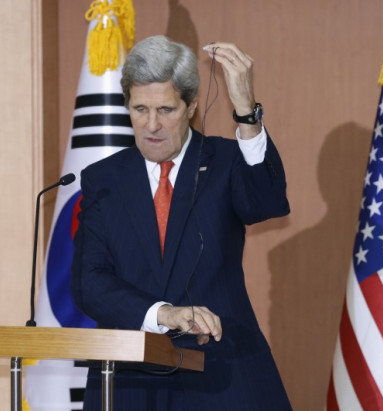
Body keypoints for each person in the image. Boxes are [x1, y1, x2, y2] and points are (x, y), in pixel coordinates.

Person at [71, 35, 292, 410]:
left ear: (191, 106)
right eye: (140, 109)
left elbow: (266, 202)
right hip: (129, 379)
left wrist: (245, 111)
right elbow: (88, 281)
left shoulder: (225, 161)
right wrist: (163, 314)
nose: (152, 125)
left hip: (223, 374)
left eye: (166, 110)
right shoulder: (103, 179)